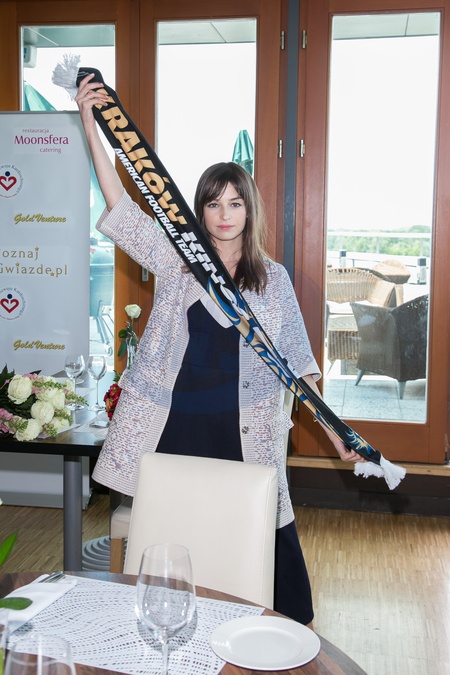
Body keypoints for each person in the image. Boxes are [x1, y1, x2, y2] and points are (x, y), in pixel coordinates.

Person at [76, 73, 363, 625]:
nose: (225, 214)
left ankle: (270, 635)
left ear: (249, 210)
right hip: (174, 426)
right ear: (200, 211)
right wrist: (91, 125)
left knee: (261, 539)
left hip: (244, 429)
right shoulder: (177, 260)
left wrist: (335, 432)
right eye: (213, 204)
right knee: (174, 539)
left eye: (235, 202)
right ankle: (170, 627)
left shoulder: (273, 280)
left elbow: (297, 367)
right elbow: (121, 205)